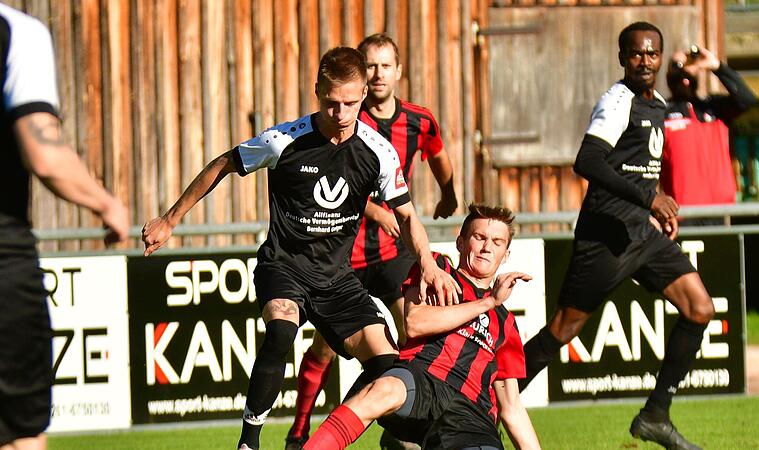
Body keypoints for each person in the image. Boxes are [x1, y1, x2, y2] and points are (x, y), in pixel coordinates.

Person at [140, 46, 460, 450]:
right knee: (281, 328)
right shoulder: (283, 140)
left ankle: (366, 435)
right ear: (317, 92)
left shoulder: (378, 152)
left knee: (388, 366)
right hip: (284, 265)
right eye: (330, 103)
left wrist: (429, 264)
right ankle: (249, 441)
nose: (340, 114)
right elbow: (224, 163)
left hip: (337, 279)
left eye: (349, 103)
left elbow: (409, 215)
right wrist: (170, 219)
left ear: (363, 96)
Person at [518, 22, 714, 450]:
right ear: (622, 58)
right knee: (563, 330)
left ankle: (655, 415)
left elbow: (637, 164)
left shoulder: (658, 103)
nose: (645, 61)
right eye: (636, 53)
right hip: (605, 234)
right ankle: (481, 405)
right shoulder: (618, 99)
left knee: (700, 308)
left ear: (661, 57)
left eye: (652, 53)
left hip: (641, 232)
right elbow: (588, 160)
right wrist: (649, 197)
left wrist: (657, 200)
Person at [285, 33, 458, 450]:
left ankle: (399, 434)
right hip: (340, 254)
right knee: (324, 348)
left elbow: (437, 153)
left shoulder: (419, 119)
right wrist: (377, 211)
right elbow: (333, 183)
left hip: (391, 254)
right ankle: (300, 427)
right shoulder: (344, 120)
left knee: (411, 337)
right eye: (371, 65)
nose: (379, 73)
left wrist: (449, 194)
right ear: (360, 77)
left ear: (399, 71)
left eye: (386, 65)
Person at [303, 204, 540, 450]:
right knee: (383, 390)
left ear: (506, 255)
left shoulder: (506, 323)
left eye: (497, 242)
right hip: (423, 381)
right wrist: (488, 302)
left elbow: (512, 408)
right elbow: (415, 323)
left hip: (472, 414)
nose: (486, 247)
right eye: (479, 237)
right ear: (460, 242)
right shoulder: (437, 269)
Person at [0, 4, 129, 450]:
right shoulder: (18, 32)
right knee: (19, 434)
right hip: (3, 263)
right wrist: (105, 202)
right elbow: (45, 154)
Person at [661, 45, 756, 226]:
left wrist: (715, 66)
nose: (683, 70)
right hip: (681, 214)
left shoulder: (715, 107)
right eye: (676, 65)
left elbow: (747, 99)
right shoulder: (661, 113)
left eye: (687, 64)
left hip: (721, 211)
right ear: (667, 75)